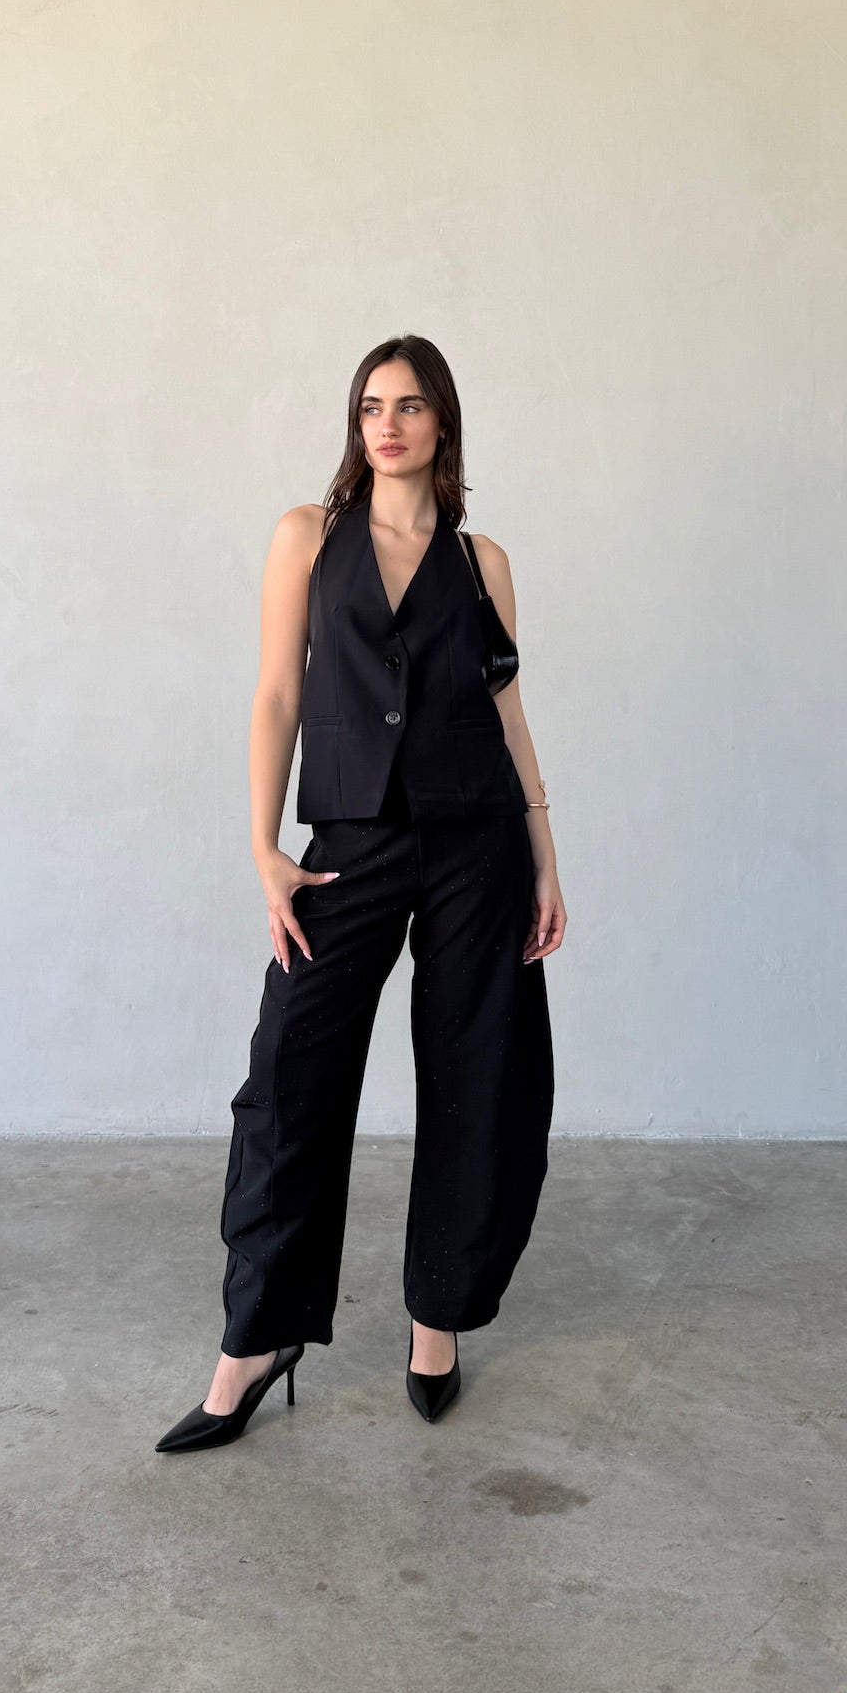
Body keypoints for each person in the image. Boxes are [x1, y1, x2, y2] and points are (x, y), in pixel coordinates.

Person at [155, 334, 566, 1452]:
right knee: (288, 1079)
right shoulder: (309, 535)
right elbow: (276, 694)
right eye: (372, 405)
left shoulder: (482, 563)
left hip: (478, 842)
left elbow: (509, 714)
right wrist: (263, 846)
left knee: (479, 1076)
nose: (389, 423)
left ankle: (438, 1319)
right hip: (349, 842)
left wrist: (545, 853)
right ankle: (256, 1339)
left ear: (443, 423)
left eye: (411, 405)